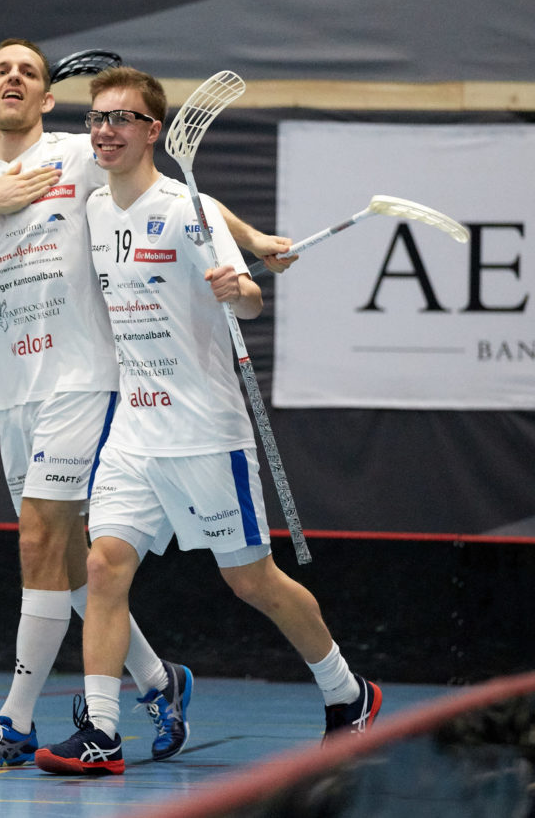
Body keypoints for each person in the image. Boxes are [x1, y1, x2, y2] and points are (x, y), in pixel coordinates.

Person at [0, 39, 292, 767]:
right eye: (1, 70)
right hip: (13, 390)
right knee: (70, 561)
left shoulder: (80, 150)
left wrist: (251, 241)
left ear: (49, 97)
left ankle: (15, 718)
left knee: (39, 541)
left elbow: (182, 198)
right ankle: (158, 679)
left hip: (84, 379)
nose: (16, 78)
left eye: (30, 69)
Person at [33, 67, 381, 777]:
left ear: (153, 131)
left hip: (205, 431)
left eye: (122, 118)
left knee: (252, 581)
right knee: (102, 566)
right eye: (97, 117)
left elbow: (249, 298)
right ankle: (101, 728)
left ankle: (349, 694)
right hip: (134, 430)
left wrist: (241, 286)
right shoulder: (95, 210)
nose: (105, 129)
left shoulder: (189, 210)